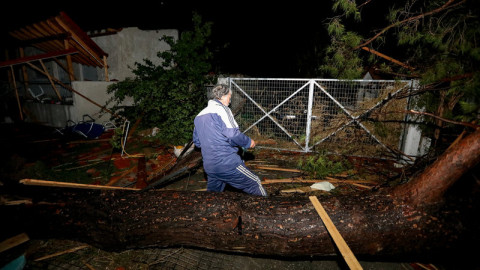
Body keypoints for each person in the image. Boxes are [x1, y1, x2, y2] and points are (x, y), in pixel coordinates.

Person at [192, 84, 267, 196]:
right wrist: (248, 142)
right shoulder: (222, 110)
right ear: (222, 96)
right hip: (227, 163)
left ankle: (210, 213)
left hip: (210, 166)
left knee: (213, 195)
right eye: (229, 96)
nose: (230, 100)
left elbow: (197, 142)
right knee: (254, 183)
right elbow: (232, 134)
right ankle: (266, 211)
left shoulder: (199, 116)